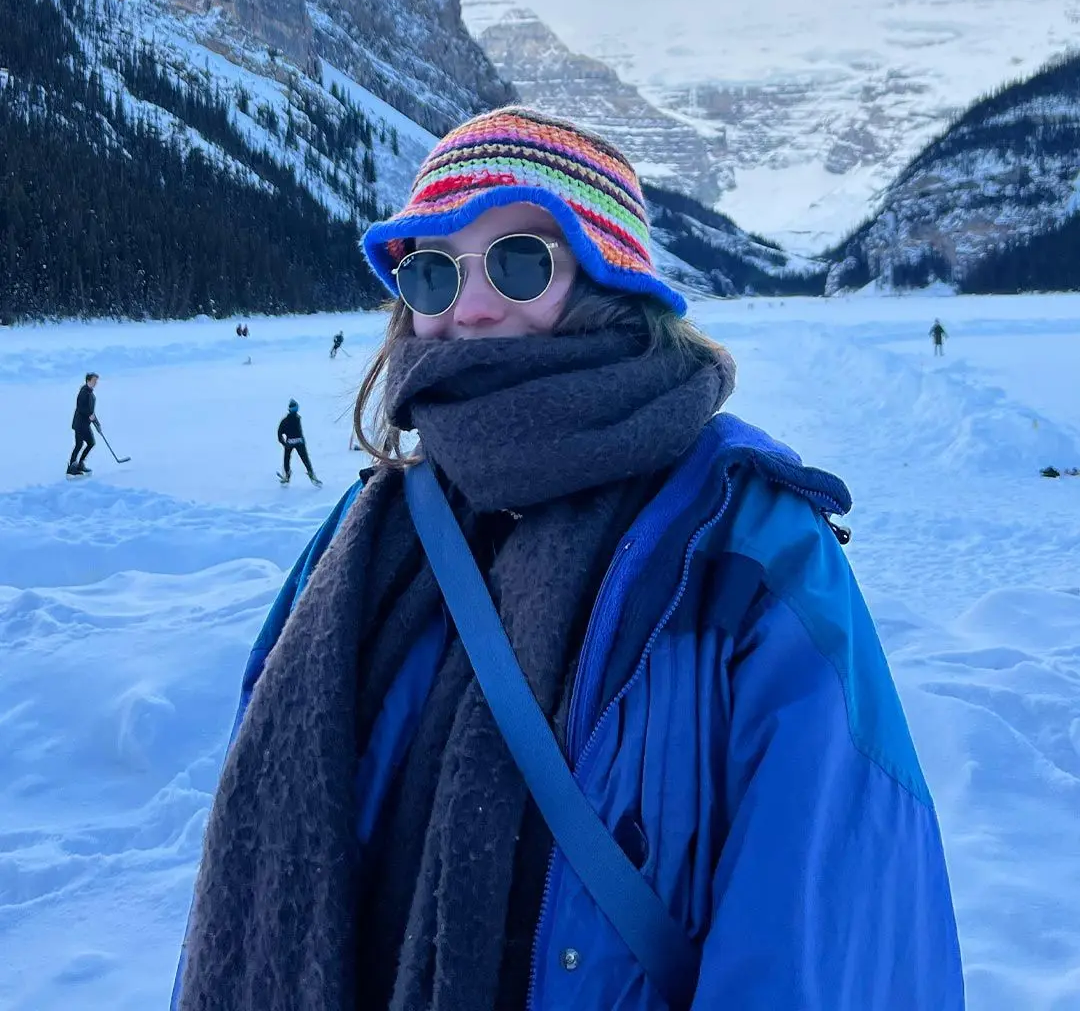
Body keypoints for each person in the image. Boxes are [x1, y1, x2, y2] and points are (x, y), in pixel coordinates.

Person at [174, 106, 964, 1011]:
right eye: (432, 275)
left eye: (519, 261)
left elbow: (830, 943)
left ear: (608, 280)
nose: (469, 307)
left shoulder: (749, 552)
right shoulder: (364, 541)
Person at [276, 401, 321, 486]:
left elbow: (279, 433)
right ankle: (311, 474)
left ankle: (287, 475)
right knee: (305, 459)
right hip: (300, 441)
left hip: (289, 442)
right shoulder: (297, 419)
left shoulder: (285, 421)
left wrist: (284, 443)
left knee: (287, 459)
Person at [67, 372, 100, 477]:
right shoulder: (83, 392)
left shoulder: (91, 394)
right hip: (79, 424)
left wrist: (97, 424)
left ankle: (80, 464)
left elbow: (91, 412)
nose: (96, 383)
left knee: (91, 443)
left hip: (85, 424)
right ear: (88, 381)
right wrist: (89, 415)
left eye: (96, 381)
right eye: (94, 381)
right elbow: (80, 407)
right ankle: (71, 467)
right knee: (79, 445)